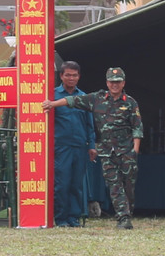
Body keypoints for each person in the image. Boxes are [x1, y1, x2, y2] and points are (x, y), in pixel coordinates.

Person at [44, 67, 144, 230]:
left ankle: (127, 212)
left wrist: (135, 150)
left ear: (123, 83)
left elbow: (138, 128)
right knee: (114, 184)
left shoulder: (130, 102)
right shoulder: (96, 98)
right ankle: (123, 217)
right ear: (107, 83)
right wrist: (53, 104)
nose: (114, 85)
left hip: (126, 152)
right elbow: (72, 101)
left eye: (118, 82)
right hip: (107, 151)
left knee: (128, 186)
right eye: (111, 82)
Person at [51, 61, 94, 228]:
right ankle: (61, 218)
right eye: (68, 75)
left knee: (77, 184)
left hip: (80, 147)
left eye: (74, 75)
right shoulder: (53, 96)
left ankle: (73, 218)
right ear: (61, 76)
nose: (71, 78)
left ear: (79, 77)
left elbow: (90, 124)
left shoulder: (84, 97)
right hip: (61, 147)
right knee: (62, 184)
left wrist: (92, 146)